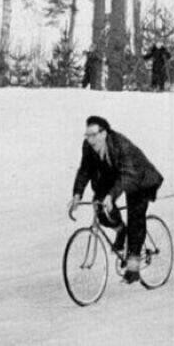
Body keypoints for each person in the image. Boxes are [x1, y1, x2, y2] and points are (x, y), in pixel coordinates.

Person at [68, 116, 164, 284]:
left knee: (135, 216)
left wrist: (111, 196)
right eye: (87, 135)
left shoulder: (120, 144)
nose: (90, 140)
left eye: (93, 135)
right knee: (99, 205)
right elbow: (85, 170)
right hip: (116, 177)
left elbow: (127, 174)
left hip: (139, 177)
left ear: (104, 133)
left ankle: (133, 269)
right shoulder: (89, 147)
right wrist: (77, 195)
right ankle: (120, 230)